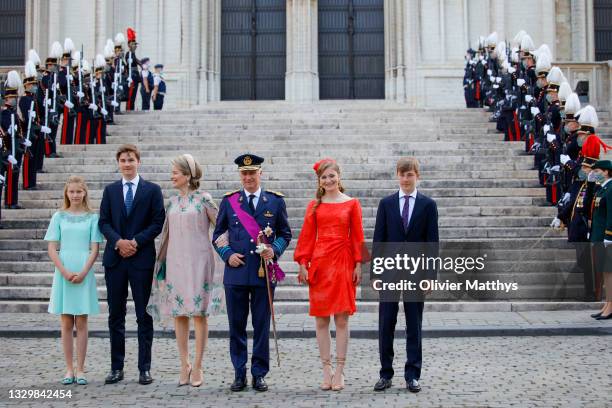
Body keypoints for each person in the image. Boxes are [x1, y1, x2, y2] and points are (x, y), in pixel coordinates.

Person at [212, 154, 292, 393]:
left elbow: (285, 234)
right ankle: (239, 373)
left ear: (260, 174)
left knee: (261, 325)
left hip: (262, 274)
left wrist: (273, 250)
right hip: (236, 273)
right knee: (236, 326)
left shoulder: (275, 202)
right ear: (240, 175)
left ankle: (259, 374)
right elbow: (217, 235)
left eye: (252, 173)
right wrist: (228, 255)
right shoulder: (230, 201)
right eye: (244, 174)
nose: (248, 177)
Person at [147, 154, 225, 387]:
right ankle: (184, 363)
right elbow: (166, 236)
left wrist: (229, 251)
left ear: (188, 176)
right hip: (175, 261)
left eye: (176, 173)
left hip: (199, 260)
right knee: (178, 313)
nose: (172, 176)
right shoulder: (170, 202)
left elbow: (220, 227)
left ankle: (199, 365)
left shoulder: (204, 199)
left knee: (199, 314)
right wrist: (160, 263)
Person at [294, 158, 365, 391]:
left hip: (343, 263)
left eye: (332, 176)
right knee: (321, 319)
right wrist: (302, 262)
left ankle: (340, 372)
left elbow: (357, 236)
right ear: (320, 181)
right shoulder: (314, 205)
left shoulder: (352, 203)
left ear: (339, 177)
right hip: (321, 264)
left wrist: (358, 264)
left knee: (342, 319)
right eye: (324, 177)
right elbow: (306, 236)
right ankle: (327, 371)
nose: (328, 180)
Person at [98, 144, 165, 385]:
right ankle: (116, 367)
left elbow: (158, 222)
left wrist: (135, 241)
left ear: (138, 161)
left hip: (141, 259)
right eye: (123, 160)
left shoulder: (152, 190)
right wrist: (118, 242)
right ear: (118, 163)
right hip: (115, 260)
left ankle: (144, 368)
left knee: (142, 315)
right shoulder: (110, 191)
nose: (127, 164)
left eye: (131, 159)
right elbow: (103, 222)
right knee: (116, 315)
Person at [373, 157, 439, 393]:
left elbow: (432, 242)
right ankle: (385, 373)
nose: (406, 178)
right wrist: (376, 272)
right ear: (397, 176)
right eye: (402, 174)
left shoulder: (428, 205)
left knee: (414, 324)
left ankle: (412, 374)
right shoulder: (387, 203)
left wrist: (431, 275)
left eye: (410, 174)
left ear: (417, 176)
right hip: (390, 271)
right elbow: (379, 240)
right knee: (386, 323)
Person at [45, 176, 103, 385]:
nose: (76, 195)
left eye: (79, 191)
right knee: (66, 321)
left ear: (85, 193)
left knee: (82, 321)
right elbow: (52, 247)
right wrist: (63, 271)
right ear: (66, 193)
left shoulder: (92, 218)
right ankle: (69, 369)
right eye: (72, 192)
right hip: (63, 269)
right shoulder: (58, 217)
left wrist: (84, 271)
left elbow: (95, 248)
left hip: (84, 268)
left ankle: (81, 369)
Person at [589, 160, 612, 320]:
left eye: (597, 171)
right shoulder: (603, 188)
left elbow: (611, 214)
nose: (594, 173)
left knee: (609, 273)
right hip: (598, 235)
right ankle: (607, 304)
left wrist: (609, 236)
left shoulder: (610, 189)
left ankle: (610, 306)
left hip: (607, 236)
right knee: (605, 272)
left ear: (606, 171)